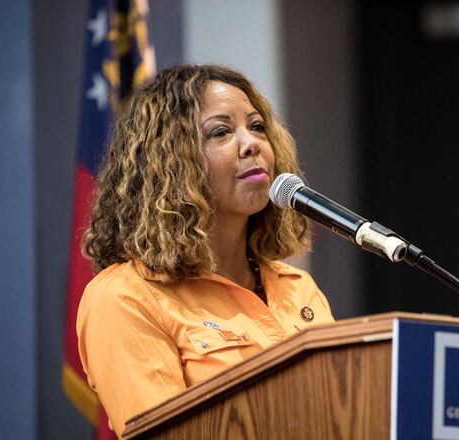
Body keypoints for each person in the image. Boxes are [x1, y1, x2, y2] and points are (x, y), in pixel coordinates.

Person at [76, 64, 335, 437]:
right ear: (170, 163)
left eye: (257, 127)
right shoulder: (124, 298)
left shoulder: (298, 287)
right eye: (220, 132)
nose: (252, 144)